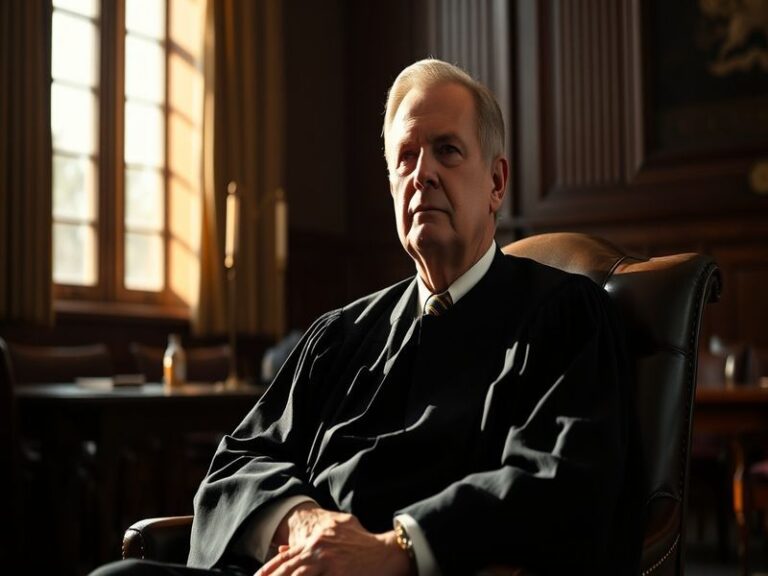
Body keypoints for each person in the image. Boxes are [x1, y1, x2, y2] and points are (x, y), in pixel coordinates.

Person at [92, 58, 635, 576]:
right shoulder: (341, 335)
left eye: (447, 151)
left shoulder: (562, 316)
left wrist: (399, 549)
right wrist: (300, 522)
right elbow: (237, 461)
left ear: (496, 183)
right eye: (406, 158)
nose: (423, 174)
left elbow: (562, 482)